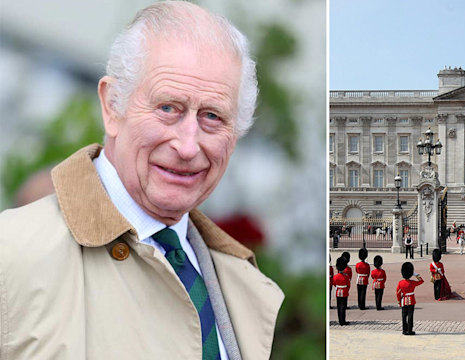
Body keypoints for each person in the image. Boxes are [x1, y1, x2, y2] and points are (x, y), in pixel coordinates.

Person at [0, 2, 285, 359]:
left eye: (212, 116)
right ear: (111, 106)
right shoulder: (9, 253)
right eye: (168, 108)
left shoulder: (243, 286)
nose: (187, 145)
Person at [396, 262, 424, 335]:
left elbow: (398, 293)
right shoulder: (413, 282)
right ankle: (409, 330)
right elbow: (421, 281)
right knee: (410, 316)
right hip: (411, 300)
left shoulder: (400, 283)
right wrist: (415, 274)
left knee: (404, 316)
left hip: (403, 300)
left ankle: (404, 330)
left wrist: (399, 301)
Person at [334, 257, 351, 326]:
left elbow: (334, 284)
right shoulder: (346, 276)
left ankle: (340, 321)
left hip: (338, 292)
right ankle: (343, 321)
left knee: (339, 307)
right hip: (344, 292)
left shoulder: (335, 276)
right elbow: (348, 285)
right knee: (343, 307)